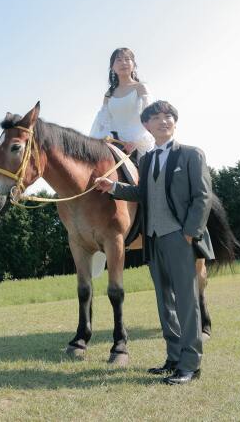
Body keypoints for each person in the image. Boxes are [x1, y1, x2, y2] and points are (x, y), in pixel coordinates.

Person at [94, 100, 214, 385]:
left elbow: (203, 197)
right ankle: (173, 359)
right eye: (156, 117)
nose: (163, 121)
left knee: (186, 302)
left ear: (175, 121)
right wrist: (113, 187)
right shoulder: (146, 160)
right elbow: (142, 193)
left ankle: (190, 364)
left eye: (168, 116)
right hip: (153, 239)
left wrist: (190, 233)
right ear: (146, 126)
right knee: (165, 303)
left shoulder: (191, 154)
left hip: (180, 237)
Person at [89, 48, 155, 156]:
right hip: (115, 143)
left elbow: (151, 117)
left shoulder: (140, 88)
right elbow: (102, 124)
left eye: (127, 59)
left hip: (138, 145)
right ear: (112, 67)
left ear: (134, 64)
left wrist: (136, 142)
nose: (123, 63)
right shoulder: (108, 94)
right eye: (118, 60)